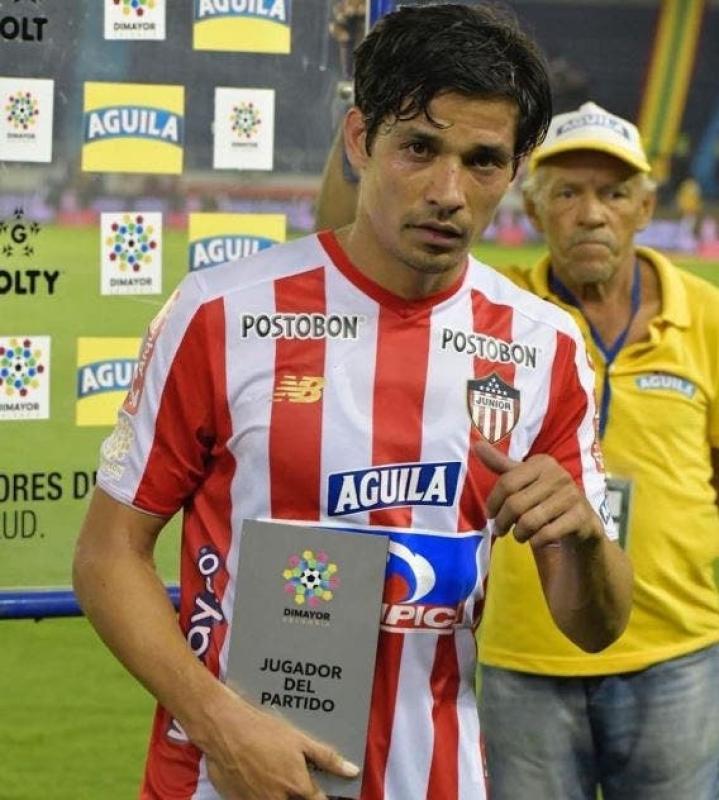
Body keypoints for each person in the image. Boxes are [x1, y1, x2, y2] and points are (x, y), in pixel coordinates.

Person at [73, 8, 632, 800]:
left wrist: (581, 538)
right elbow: (107, 555)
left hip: (433, 776)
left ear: (513, 171)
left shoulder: (545, 345)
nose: (447, 192)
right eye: (419, 148)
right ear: (361, 138)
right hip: (226, 776)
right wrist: (217, 722)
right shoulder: (221, 313)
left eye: (481, 161)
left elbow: (594, 625)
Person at [477, 102, 719, 800]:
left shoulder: (707, 316)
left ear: (644, 207)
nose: (591, 214)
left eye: (613, 194)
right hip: (524, 654)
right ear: (533, 208)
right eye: (567, 193)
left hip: (677, 651)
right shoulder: (493, 317)